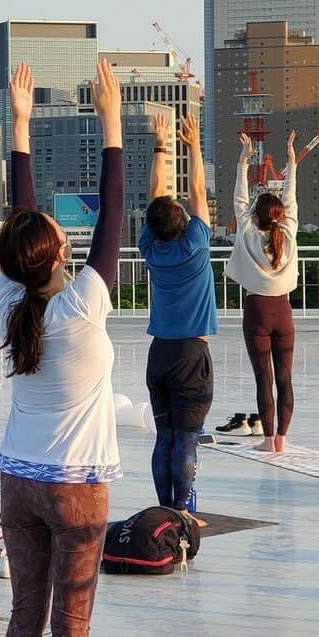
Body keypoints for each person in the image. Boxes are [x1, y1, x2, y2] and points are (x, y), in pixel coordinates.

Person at [0, 61, 123, 637]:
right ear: (51, 254)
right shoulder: (80, 306)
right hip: (77, 491)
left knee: (25, 623)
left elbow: (21, 220)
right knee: (71, 629)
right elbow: (114, 219)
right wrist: (111, 119)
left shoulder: (7, 300)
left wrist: (19, 124)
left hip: (17, 482)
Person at [141, 111, 215, 528]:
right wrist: (193, 144)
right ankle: (183, 510)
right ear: (184, 223)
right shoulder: (195, 245)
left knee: (164, 436)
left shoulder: (151, 248)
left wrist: (161, 145)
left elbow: (157, 196)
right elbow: (199, 191)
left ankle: (163, 507)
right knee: (186, 439)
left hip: (159, 354)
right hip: (191, 354)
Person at [224, 130, 299, 452]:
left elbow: (239, 199)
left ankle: (268, 439)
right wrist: (292, 162)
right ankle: (282, 439)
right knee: (285, 378)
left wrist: (244, 160)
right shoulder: (290, 231)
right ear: (280, 215)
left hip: (256, 312)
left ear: (256, 215)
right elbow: (292, 198)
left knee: (263, 378)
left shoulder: (248, 231)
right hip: (284, 312)